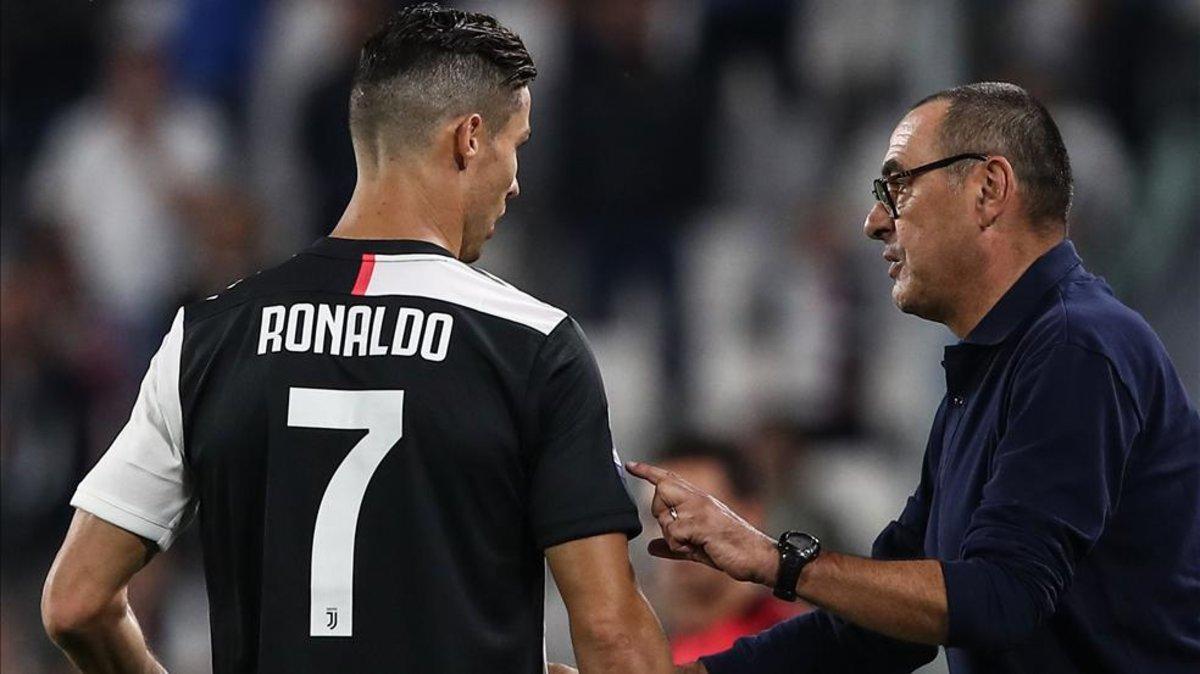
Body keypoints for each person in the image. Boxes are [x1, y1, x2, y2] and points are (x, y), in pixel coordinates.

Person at [41, 5, 674, 673]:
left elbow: (76, 602)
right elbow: (611, 638)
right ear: (469, 138)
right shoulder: (534, 347)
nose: (516, 182)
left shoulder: (206, 338)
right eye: (516, 145)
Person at [626, 82, 1200, 673]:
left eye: (897, 185)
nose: (874, 221)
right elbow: (879, 633)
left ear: (988, 189)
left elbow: (1005, 596)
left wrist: (778, 561)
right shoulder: (995, 369)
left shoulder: (1080, 347)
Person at [649, 435, 806, 664]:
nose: (674, 533)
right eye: (656, 515)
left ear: (750, 517)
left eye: (694, 516)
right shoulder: (641, 645)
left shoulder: (795, 646)